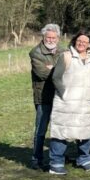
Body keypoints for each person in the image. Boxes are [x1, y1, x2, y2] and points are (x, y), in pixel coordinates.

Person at [47, 31, 90, 175]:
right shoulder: (66, 56)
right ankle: (56, 163)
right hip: (67, 103)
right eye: (79, 40)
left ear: (89, 44)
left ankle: (84, 160)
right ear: (74, 41)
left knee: (85, 131)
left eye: (85, 42)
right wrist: (65, 94)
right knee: (61, 132)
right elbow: (56, 77)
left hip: (87, 102)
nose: (81, 43)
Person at [29, 23, 60, 170]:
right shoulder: (36, 53)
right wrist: (58, 70)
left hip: (60, 96)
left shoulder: (64, 51)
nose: (51, 39)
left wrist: (52, 69)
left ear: (58, 38)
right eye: (48, 37)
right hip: (43, 97)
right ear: (43, 37)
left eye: (54, 37)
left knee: (59, 129)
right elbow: (42, 74)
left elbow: (69, 70)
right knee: (41, 130)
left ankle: (58, 156)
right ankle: (37, 160)